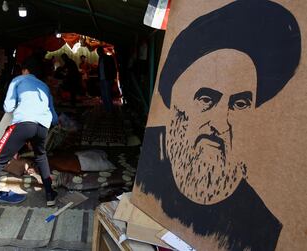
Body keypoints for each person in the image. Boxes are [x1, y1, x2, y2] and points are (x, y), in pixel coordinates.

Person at [134, 1, 301, 250]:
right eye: (206, 99)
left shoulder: (260, 227)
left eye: (240, 104)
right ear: (174, 100)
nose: (221, 124)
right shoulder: (148, 169)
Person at [0, 57, 58, 227]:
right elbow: (53, 117)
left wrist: (21, 105)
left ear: (25, 70)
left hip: (23, 124)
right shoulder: (45, 86)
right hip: (42, 127)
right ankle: (50, 195)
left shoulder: (18, 80)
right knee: (41, 156)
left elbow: (8, 107)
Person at [97, 47, 116, 113]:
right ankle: (106, 109)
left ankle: (110, 109)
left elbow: (113, 68)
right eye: (97, 52)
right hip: (102, 80)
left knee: (108, 95)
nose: (98, 53)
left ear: (102, 52)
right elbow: (99, 70)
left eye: (98, 52)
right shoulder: (100, 59)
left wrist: (113, 78)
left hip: (107, 79)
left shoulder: (108, 58)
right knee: (104, 95)